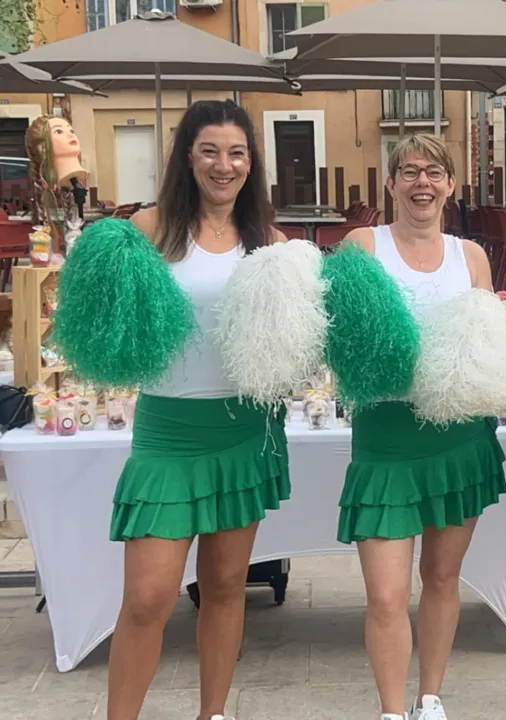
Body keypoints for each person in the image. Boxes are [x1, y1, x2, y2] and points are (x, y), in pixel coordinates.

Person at [106, 100, 290, 720]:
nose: (223, 165)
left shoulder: (270, 243)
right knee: (147, 599)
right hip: (168, 433)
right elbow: (114, 328)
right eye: (210, 151)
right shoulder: (147, 230)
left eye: (236, 153)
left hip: (243, 431)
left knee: (226, 588)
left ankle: (213, 714)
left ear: (251, 163)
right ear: (188, 157)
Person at [336, 133, 505, 720]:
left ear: (451, 185)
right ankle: (391, 711)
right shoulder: (362, 246)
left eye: (433, 172)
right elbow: (341, 337)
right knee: (385, 595)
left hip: (459, 435)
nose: (421, 182)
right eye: (408, 171)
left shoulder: (471, 256)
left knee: (441, 576)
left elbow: (484, 344)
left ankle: (429, 698)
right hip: (384, 438)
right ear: (390, 184)